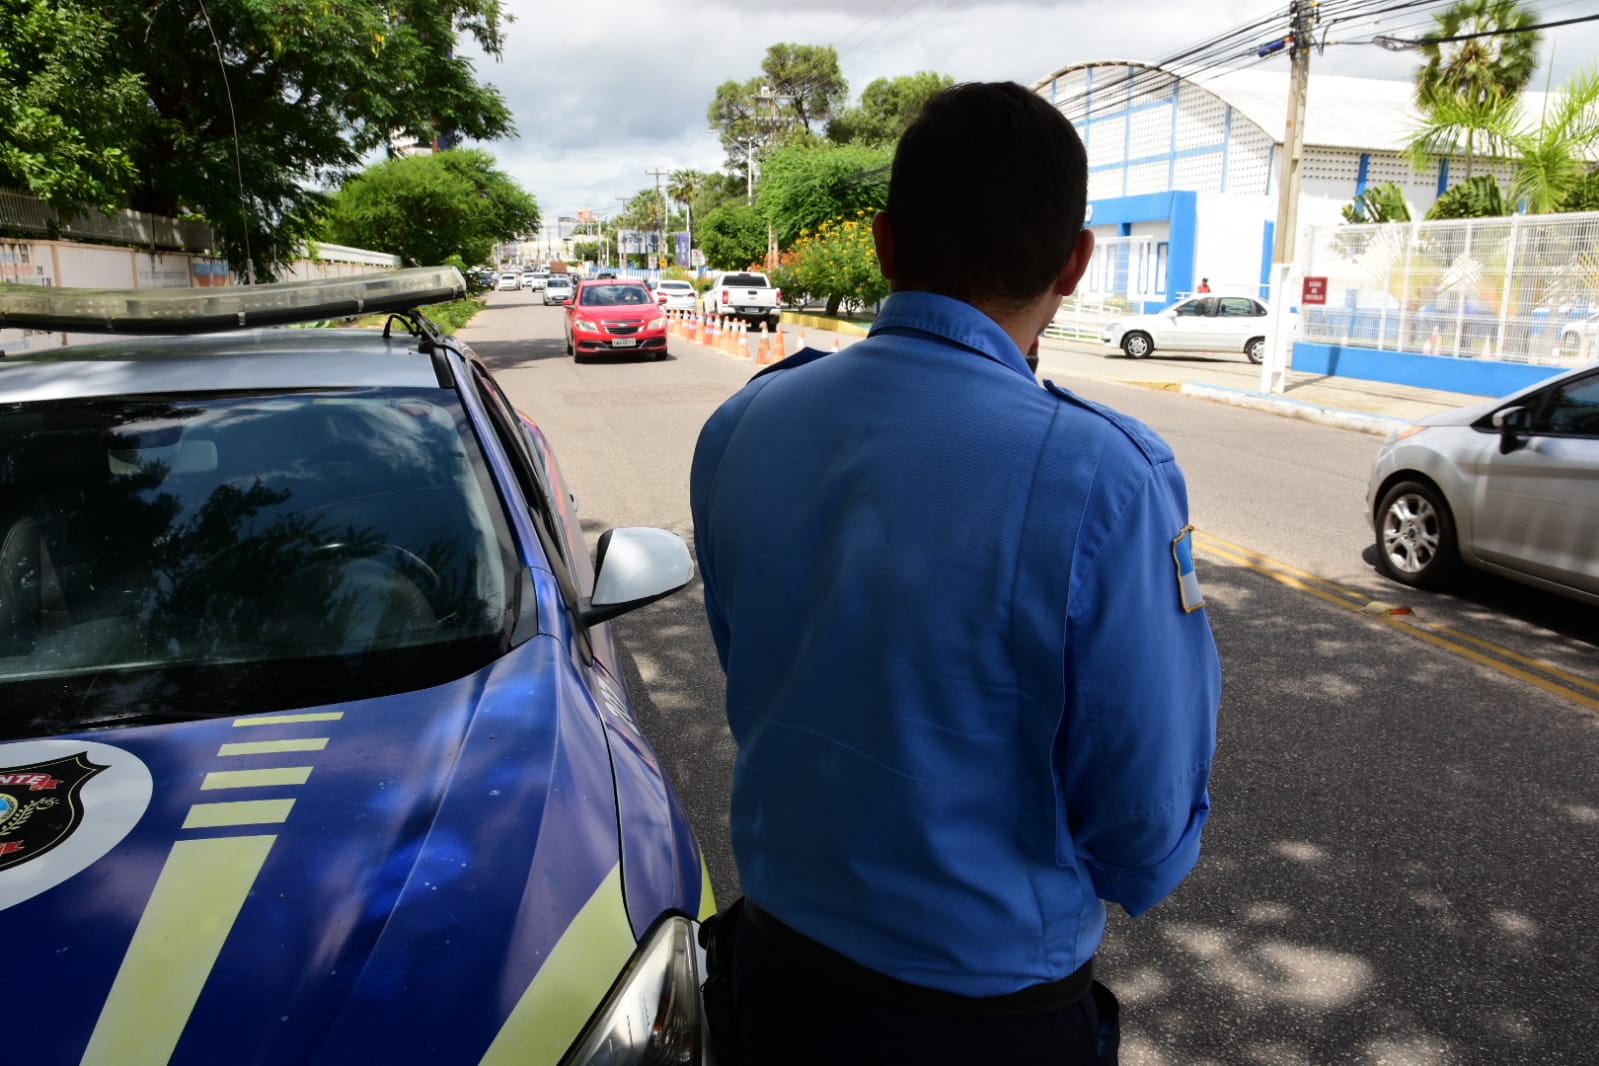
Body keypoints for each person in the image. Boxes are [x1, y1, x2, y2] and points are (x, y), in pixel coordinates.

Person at [689, 81, 1220, 1066]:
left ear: (886, 245)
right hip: (989, 1022)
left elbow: (750, 666)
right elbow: (1143, 825)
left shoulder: (743, 426)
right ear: (1075, 262)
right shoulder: (1106, 475)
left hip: (775, 985)